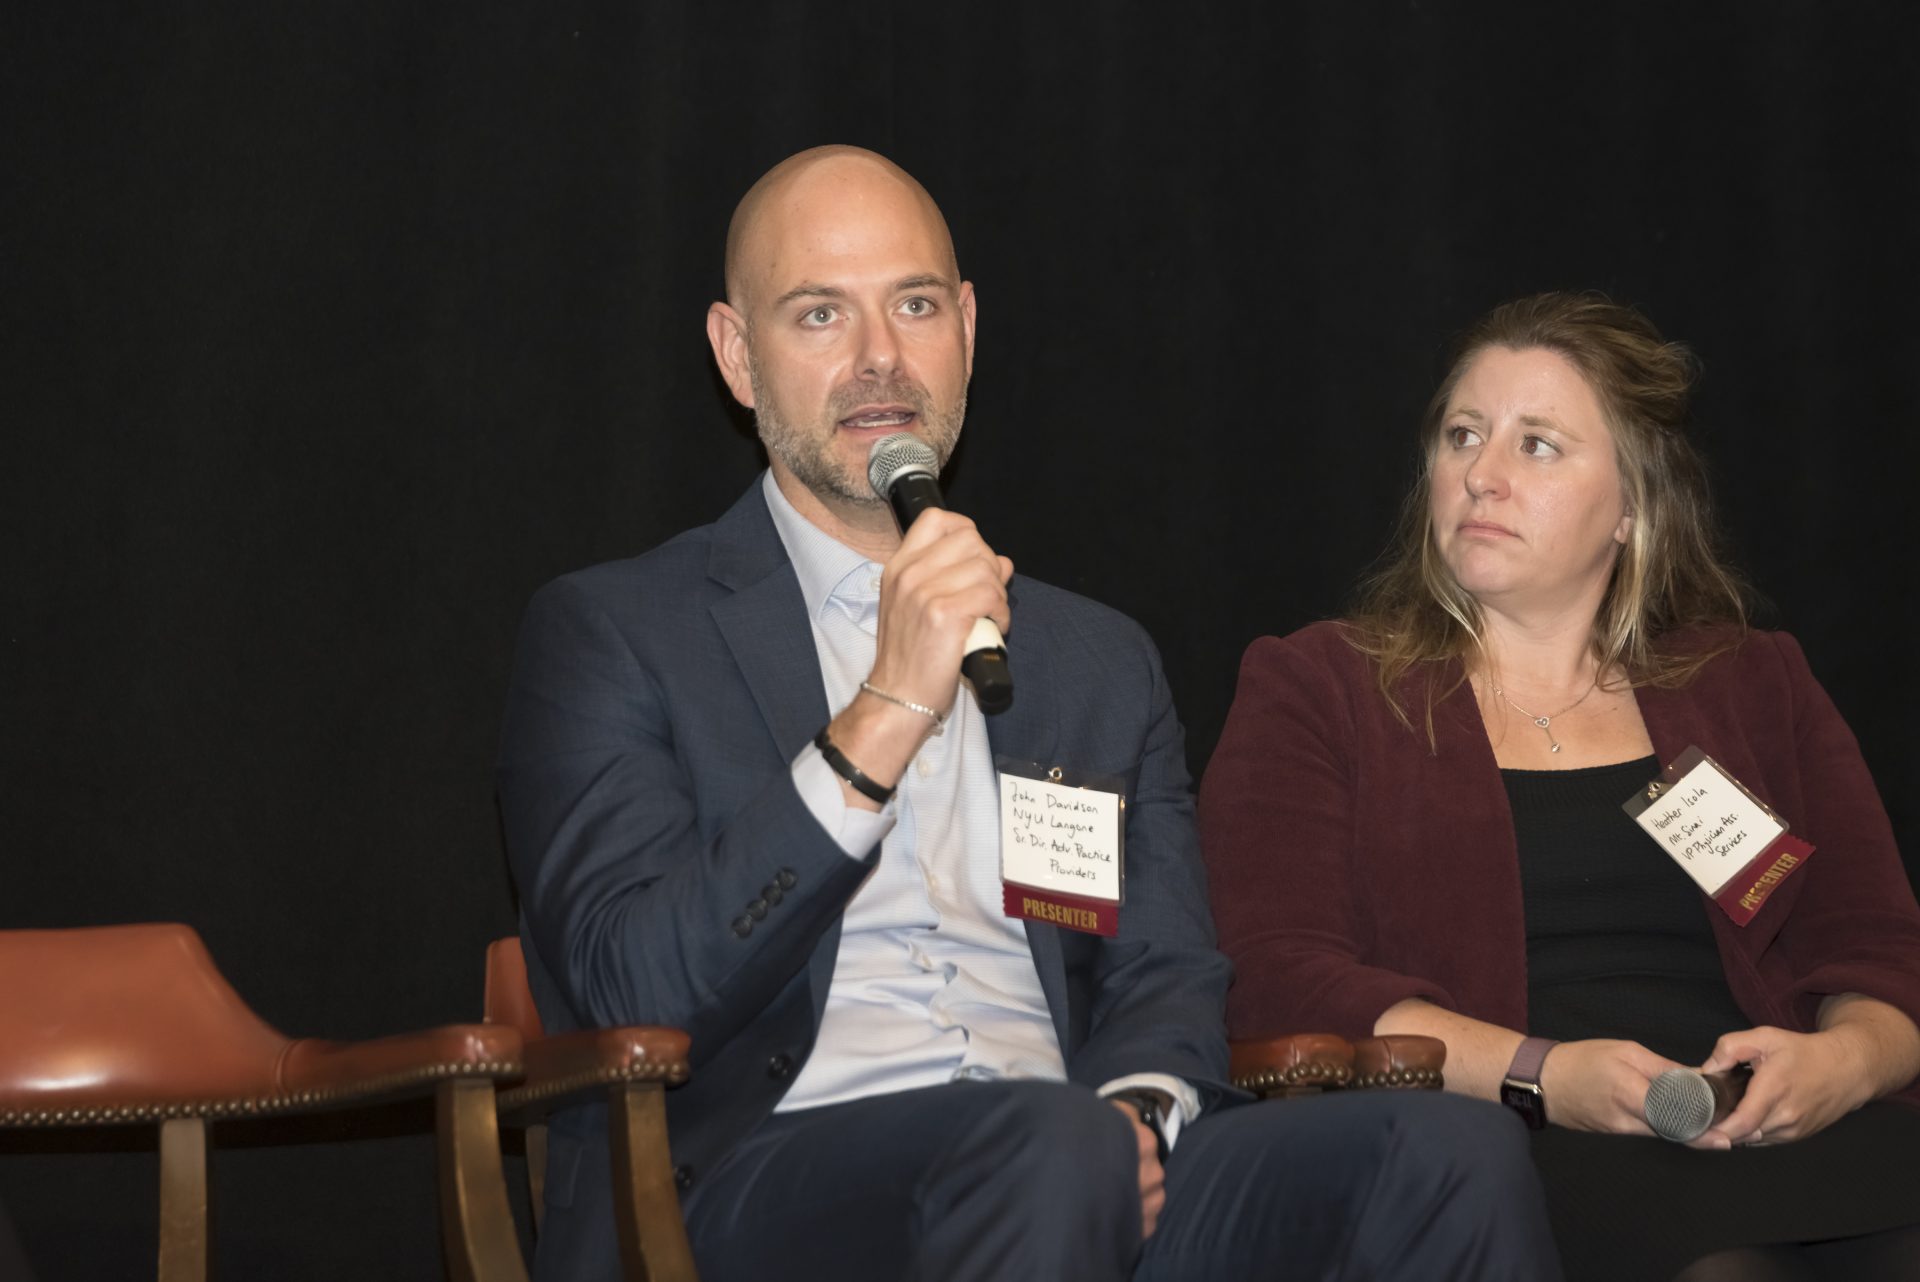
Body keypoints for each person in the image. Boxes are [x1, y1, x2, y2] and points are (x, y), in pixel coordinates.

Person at [496, 145, 1561, 1282]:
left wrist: (1137, 1118)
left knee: (1447, 1153)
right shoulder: (618, 632)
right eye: (820, 314)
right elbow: (634, 986)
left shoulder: (1091, 660)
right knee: (1044, 1145)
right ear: (736, 355)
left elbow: (1164, 971)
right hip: (756, 1183)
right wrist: (888, 705)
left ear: (966, 328)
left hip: (1077, 1158)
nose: (879, 357)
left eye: (915, 306)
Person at [1200, 291, 1920, 1282]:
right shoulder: (1322, 687)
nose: (1481, 474)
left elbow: (1881, 951)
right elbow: (1274, 976)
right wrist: (1543, 1074)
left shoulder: (1753, 683)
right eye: (1463, 435)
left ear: (1632, 507)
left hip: (1780, 1125)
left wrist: (1840, 1064)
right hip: (1518, 1134)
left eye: (1536, 445)